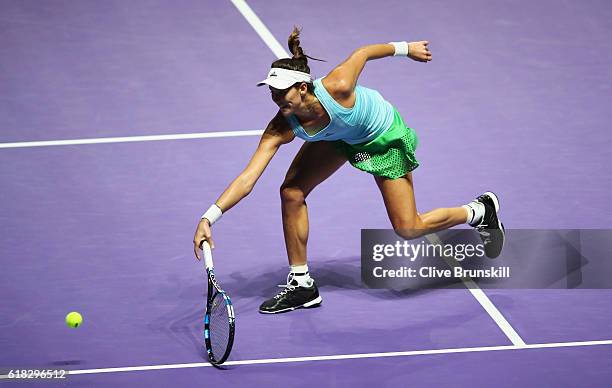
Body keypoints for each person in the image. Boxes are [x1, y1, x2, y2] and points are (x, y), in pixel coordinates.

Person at [193, 27, 504, 314]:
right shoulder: (280, 126)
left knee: (408, 227)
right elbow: (248, 178)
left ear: (303, 88)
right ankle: (302, 285)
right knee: (291, 192)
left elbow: (363, 52)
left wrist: (405, 48)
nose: (275, 98)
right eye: (271, 91)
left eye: (282, 92)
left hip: (378, 135)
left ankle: (479, 211)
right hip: (339, 136)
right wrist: (210, 216)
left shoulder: (338, 85)